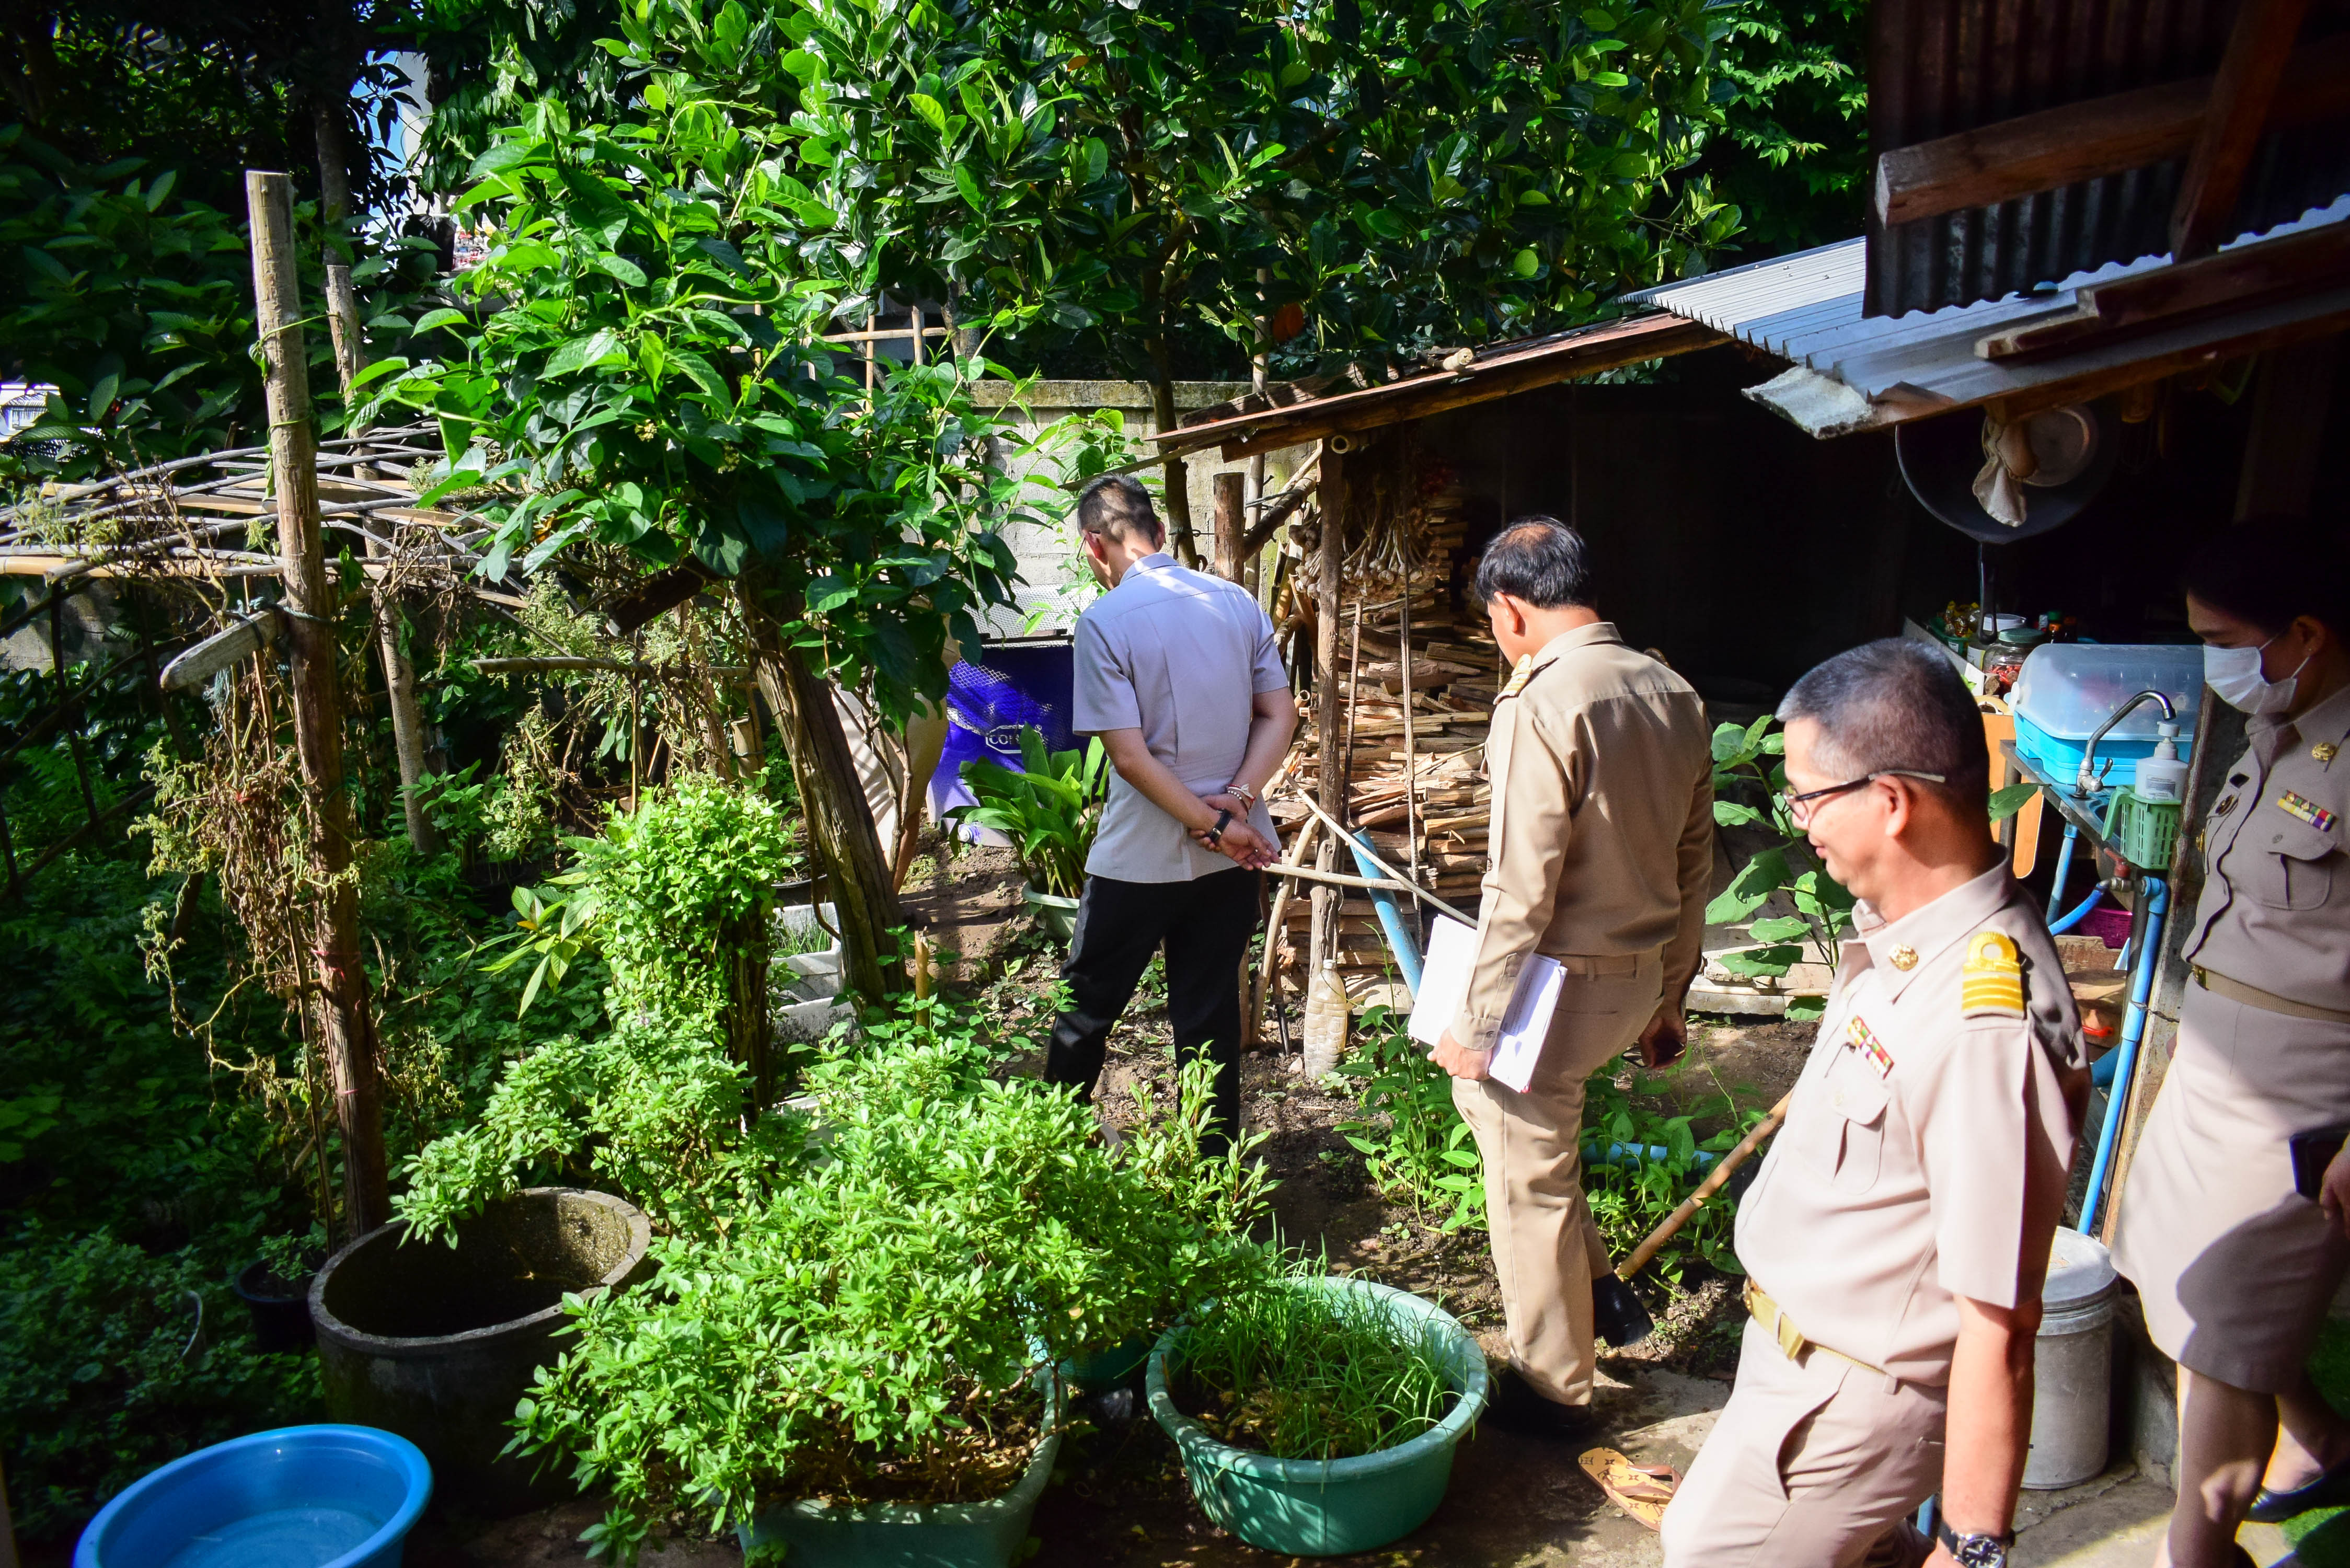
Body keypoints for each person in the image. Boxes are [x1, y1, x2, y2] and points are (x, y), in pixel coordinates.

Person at [1660, 638, 2087, 1568]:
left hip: (1852, 1397)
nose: (1799, 821)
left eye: (1808, 795)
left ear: (1890, 802)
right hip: (1803, 1365)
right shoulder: (1906, 941)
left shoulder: (1985, 1019)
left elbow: (1998, 1321)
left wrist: (1973, 1548)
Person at [1431, 517, 1715, 1435]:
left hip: (1556, 986)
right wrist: (1671, 996)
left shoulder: (1542, 702)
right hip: (1631, 979)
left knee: (1527, 1171)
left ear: (1509, 609)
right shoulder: (1672, 690)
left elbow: (1521, 884)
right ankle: (1600, 1294)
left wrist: (1475, 1025)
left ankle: (1557, 1389)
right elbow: (1695, 860)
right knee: (1518, 1131)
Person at [2109, 522, 2350, 1568]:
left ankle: (2198, 1549)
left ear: (2303, 632)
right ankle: (2317, 1441)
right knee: (2167, 1275)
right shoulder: (2282, 727)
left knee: (2221, 1331)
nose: (2214, 663)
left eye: (2225, 639)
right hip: (2212, 1063)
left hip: (2295, 1092)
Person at [1044, 475, 1295, 1151]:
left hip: (1141, 858)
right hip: (1236, 852)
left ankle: (1047, 1152)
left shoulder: (1105, 621)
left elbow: (1129, 757)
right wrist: (1235, 804)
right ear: (1158, 532)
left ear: (1096, 546)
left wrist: (1214, 824)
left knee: (1086, 1010)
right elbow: (1281, 715)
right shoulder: (1237, 603)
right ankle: (1214, 1175)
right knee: (1209, 1014)